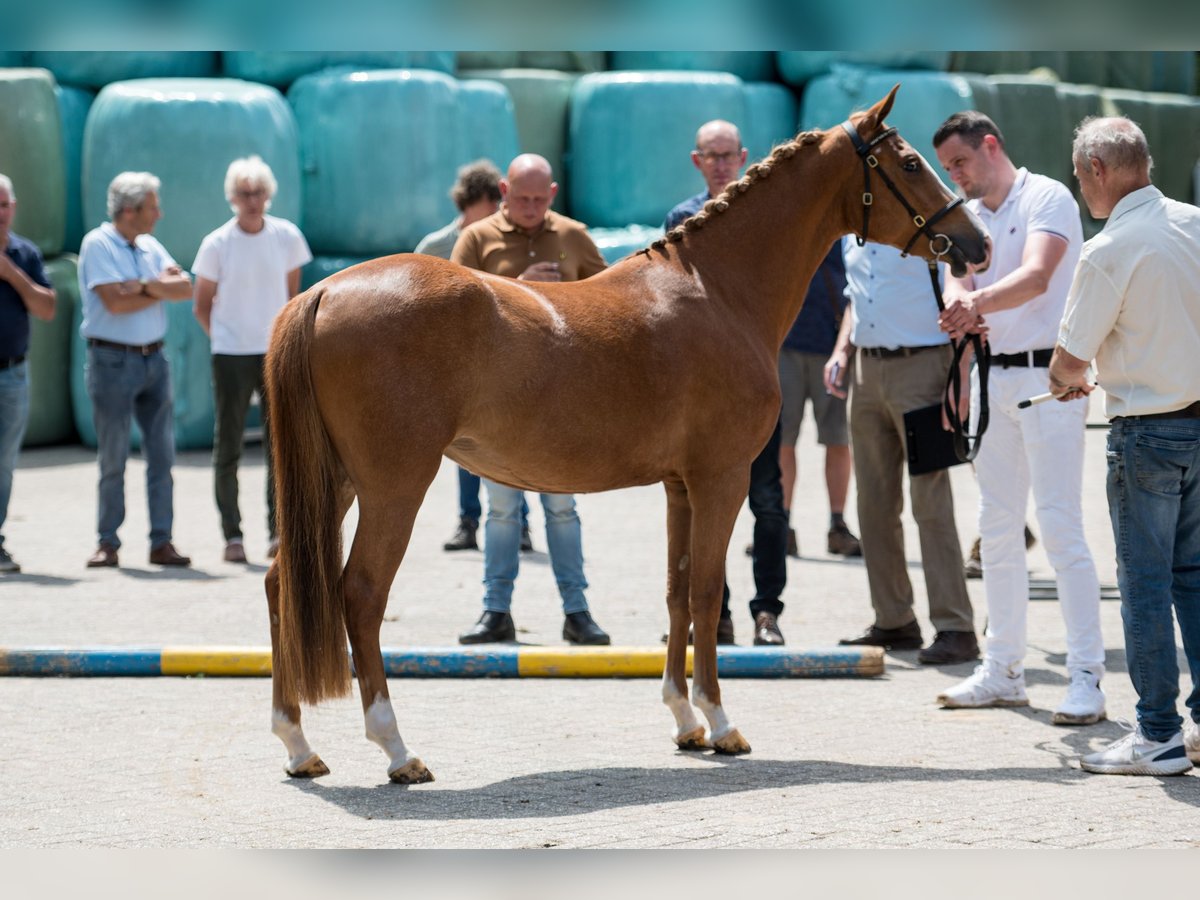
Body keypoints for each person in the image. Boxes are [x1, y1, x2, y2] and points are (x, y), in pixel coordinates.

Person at [931, 110, 1105, 723]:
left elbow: (1036, 277)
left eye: (960, 162)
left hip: (1048, 376)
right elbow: (956, 277)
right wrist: (960, 307)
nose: (955, 175)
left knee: (1059, 524)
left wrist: (971, 302)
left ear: (991, 145)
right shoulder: (967, 215)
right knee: (996, 526)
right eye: (947, 167)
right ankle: (1003, 667)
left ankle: (1086, 675)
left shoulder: (1047, 196)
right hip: (988, 373)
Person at [1051, 116, 1200, 775]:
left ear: (1098, 172)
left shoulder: (1108, 248)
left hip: (1147, 432)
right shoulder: (1195, 222)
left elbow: (1065, 361)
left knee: (1145, 585)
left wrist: (1073, 380)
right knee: (1195, 581)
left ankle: (1157, 734)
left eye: (1081, 176)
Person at [451, 153, 610, 646]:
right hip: (497, 406)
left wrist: (570, 294)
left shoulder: (575, 236)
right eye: (522, 198)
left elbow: (611, 305)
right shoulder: (475, 240)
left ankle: (577, 611)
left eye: (540, 200)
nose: (531, 207)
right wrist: (516, 291)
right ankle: (494, 611)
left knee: (562, 509)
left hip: (562, 403)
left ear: (554, 194)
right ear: (503, 189)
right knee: (501, 512)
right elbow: (452, 315)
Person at [663, 119, 787, 646]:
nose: (719, 163)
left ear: (744, 157)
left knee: (766, 499)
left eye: (727, 154)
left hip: (754, 377)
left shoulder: (765, 218)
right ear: (697, 161)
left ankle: (768, 611)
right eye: (709, 155)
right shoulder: (682, 219)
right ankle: (720, 614)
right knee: (703, 498)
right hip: (703, 386)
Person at [828, 240, 979, 665]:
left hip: (924, 367)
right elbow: (856, 300)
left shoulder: (922, 224)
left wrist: (959, 377)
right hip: (865, 373)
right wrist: (842, 351)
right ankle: (894, 619)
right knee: (872, 503)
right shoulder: (852, 232)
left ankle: (955, 627)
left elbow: (957, 298)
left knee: (930, 502)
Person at [192, 156, 312, 564]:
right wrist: (225, 338)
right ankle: (232, 534)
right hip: (230, 355)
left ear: (269, 194)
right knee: (228, 445)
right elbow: (201, 305)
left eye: (258, 192)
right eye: (244, 193)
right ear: (232, 197)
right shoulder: (216, 244)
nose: (252, 200)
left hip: (274, 353)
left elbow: (291, 297)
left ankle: (277, 532)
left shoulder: (287, 237)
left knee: (280, 445)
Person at [414, 159, 532, 555]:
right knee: (465, 448)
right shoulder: (435, 247)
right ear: (475, 201)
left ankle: (522, 523)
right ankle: (468, 521)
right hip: (454, 365)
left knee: (513, 443)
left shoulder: (505, 238)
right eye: (493, 201)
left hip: (502, 359)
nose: (500, 208)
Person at [78, 172, 193, 569]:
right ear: (129, 211)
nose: (158, 214)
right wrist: (154, 286)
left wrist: (139, 286)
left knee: (162, 456)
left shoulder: (148, 245)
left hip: (153, 361)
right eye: (152, 207)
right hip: (112, 361)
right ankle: (107, 542)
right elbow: (113, 302)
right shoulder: (97, 244)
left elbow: (184, 287)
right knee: (113, 457)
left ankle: (162, 541)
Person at [777, 242, 861, 560]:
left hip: (833, 344)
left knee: (838, 440)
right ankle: (781, 526)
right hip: (786, 344)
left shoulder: (845, 233)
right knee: (783, 440)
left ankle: (837, 525)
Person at [0, 174, 56, 574]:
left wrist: (10, 273)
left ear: (13, 208)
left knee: (3, 464)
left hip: (12, 376)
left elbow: (47, 308)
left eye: (3, 206)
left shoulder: (26, 254)